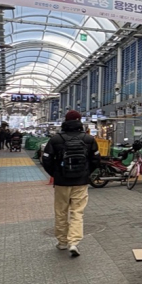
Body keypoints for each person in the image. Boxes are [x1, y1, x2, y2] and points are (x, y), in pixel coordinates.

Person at [41, 110, 100, 258]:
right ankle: (73, 242)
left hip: (61, 182)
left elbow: (46, 159)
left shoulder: (55, 139)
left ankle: (62, 242)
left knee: (61, 212)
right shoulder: (88, 139)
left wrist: (55, 174)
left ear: (65, 121)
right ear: (79, 121)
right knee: (77, 212)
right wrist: (86, 173)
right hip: (80, 182)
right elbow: (96, 160)